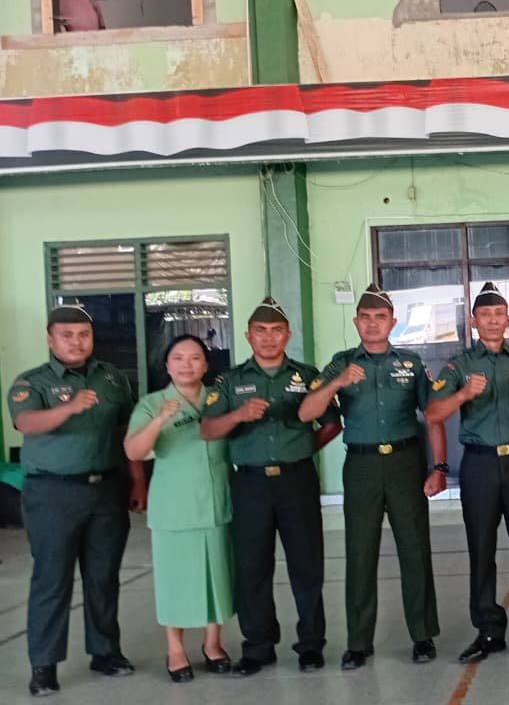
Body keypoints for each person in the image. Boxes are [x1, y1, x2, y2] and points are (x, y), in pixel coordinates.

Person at [299, 284, 447, 670]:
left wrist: (439, 468)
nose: (372, 324)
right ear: (356, 322)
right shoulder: (341, 363)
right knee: (360, 553)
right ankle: (359, 642)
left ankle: (422, 635)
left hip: (405, 463)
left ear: (393, 322)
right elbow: (306, 412)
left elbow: (433, 415)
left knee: (414, 549)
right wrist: (337, 383)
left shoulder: (411, 363)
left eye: (380, 317)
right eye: (365, 317)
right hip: (361, 466)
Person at [200, 297, 341, 677]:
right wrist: (239, 414)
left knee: (306, 565)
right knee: (252, 567)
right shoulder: (229, 381)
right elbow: (208, 430)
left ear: (287, 335)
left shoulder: (308, 376)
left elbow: (332, 423)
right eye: (260, 331)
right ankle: (258, 647)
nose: (268, 337)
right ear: (248, 336)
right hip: (250, 483)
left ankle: (311, 645)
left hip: (297, 480)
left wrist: (302, 449)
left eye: (276, 331)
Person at [9, 299, 137, 697]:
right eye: (66, 335)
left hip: (107, 490)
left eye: (83, 335)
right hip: (52, 493)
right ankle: (44, 666)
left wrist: (138, 482)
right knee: (52, 578)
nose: (76, 342)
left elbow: (126, 431)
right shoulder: (32, 382)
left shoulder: (113, 378)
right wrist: (68, 408)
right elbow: (26, 422)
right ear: (50, 339)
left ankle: (105, 652)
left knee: (103, 576)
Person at [426, 282, 509, 663]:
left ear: (508, 319)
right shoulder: (459, 366)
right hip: (479, 465)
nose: (493, 320)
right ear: (474, 321)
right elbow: (432, 414)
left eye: (499, 314)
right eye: (485, 314)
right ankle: (488, 630)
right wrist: (463, 394)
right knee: (481, 549)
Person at [124, 335, 235, 682]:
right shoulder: (152, 403)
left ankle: (213, 644)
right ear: (167, 365)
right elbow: (134, 451)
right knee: (175, 580)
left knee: (217, 576)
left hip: (216, 501)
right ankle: (175, 650)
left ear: (206, 364)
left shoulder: (219, 398)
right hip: (174, 505)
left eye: (195, 357)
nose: (187, 364)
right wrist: (159, 420)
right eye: (178, 358)